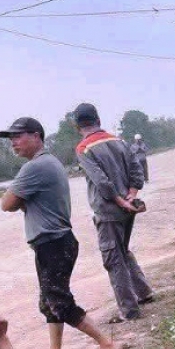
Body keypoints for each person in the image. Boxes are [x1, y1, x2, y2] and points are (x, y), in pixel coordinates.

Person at [0, 117, 120, 349]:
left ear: (36, 136)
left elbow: (7, 204)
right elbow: (15, 203)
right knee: (49, 303)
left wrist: (18, 199)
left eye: (18, 136)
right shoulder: (47, 163)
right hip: (53, 243)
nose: (14, 143)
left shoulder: (35, 167)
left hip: (54, 244)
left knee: (59, 302)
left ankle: (107, 343)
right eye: (11, 139)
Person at [72, 104, 154, 322]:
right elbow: (137, 168)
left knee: (113, 257)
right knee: (123, 250)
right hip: (128, 206)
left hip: (108, 210)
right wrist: (131, 195)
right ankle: (143, 292)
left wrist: (119, 200)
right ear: (98, 119)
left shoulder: (83, 149)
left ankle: (129, 310)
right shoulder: (119, 141)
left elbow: (101, 182)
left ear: (76, 125)